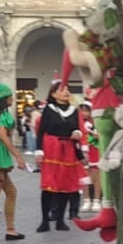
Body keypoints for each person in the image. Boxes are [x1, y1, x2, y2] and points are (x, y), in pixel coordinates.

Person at [36, 80, 84, 232]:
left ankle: (60, 220)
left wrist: (78, 133)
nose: (67, 92)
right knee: (49, 186)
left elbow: (78, 128)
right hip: (51, 148)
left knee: (66, 186)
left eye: (68, 89)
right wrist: (39, 151)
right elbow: (41, 131)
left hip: (68, 149)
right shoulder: (49, 109)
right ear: (54, 93)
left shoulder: (73, 110)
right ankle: (45, 220)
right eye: (63, 89)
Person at [0, 82, 27, 241]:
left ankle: (11, 229)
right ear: (3, 98)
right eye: (10, 95)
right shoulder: (2, 115)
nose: (12, 98)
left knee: (11, 193)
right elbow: (3, 136)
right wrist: (18, 155)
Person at [79, 101, 102, 212]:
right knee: (84, 177)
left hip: (95, 150)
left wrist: (95, 135)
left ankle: (97, 200)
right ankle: (86, 200)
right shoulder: (77, 123)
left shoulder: (97, 122)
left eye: (87, 110)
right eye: (82, 110)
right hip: (82, 151)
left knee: (96, 176)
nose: (84, 113)